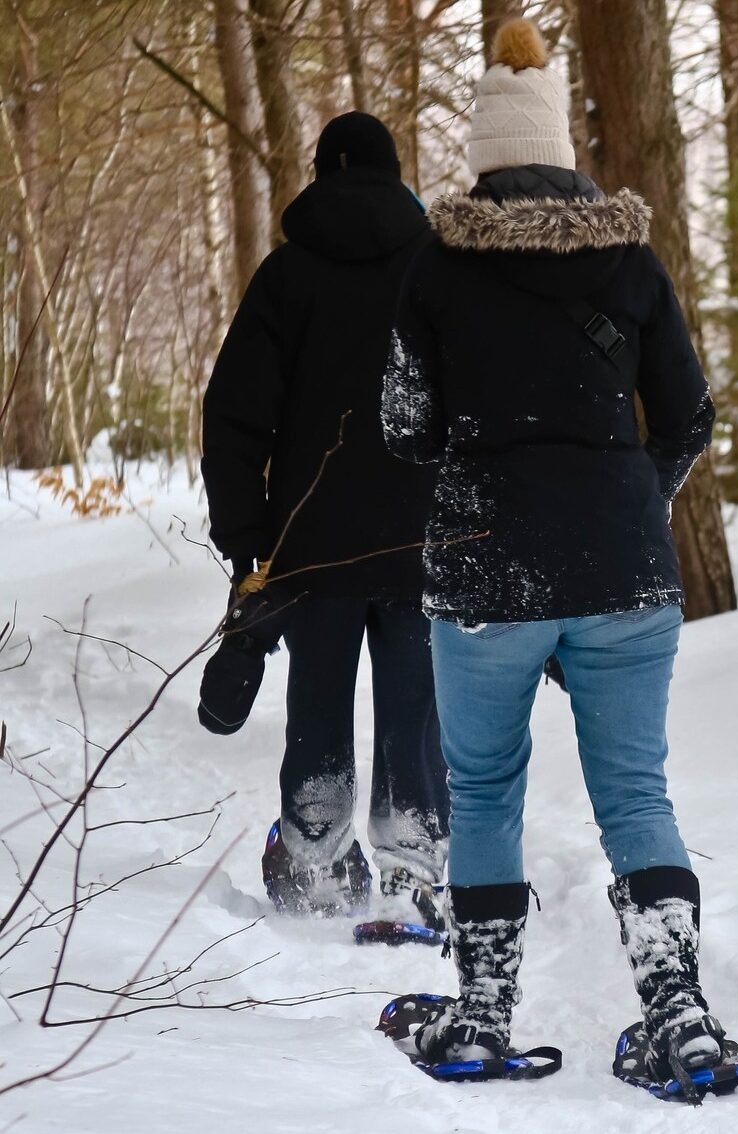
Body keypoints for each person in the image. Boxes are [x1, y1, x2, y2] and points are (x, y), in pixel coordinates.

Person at [381, 18, 738, 1089]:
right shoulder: (628, 257)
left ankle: (483, 1013)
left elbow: (403, 424)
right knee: (634, 792)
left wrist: (476, 486)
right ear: (562, 153)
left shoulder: (435, 265)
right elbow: (686, 414)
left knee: (483, 790)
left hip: (485, 562)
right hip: (624, 564)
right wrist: (629, 499)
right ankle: (678, 1017)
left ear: (483, 157)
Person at [202, 113, 447, 930]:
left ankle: (314, 856)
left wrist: (248, 545)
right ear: (395, 172)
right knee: (417, 704)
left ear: (321, 172)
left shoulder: (286, 277)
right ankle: (415, 862)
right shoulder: (437, 269)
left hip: (312, 544)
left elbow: (235, 417)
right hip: (423, 540)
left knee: (318, 698)